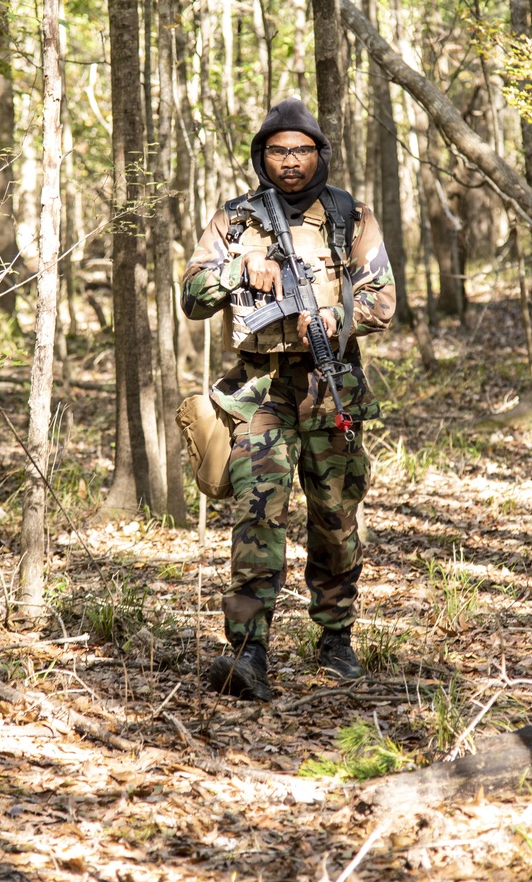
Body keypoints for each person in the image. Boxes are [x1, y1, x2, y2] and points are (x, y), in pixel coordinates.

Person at [180, 97, 395, 701]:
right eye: (278, 151)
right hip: (261, 394)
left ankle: (336, 640)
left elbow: (382, 300)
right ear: (263, 156)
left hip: (331, 389)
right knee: (256, 520)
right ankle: (247, 651)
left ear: (319, 154)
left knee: (336, 519)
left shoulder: (350, 216)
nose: (291, 161)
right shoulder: (234, 220)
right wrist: (239, 268)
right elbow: (192, 296)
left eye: (302, 150)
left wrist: (335, 316)